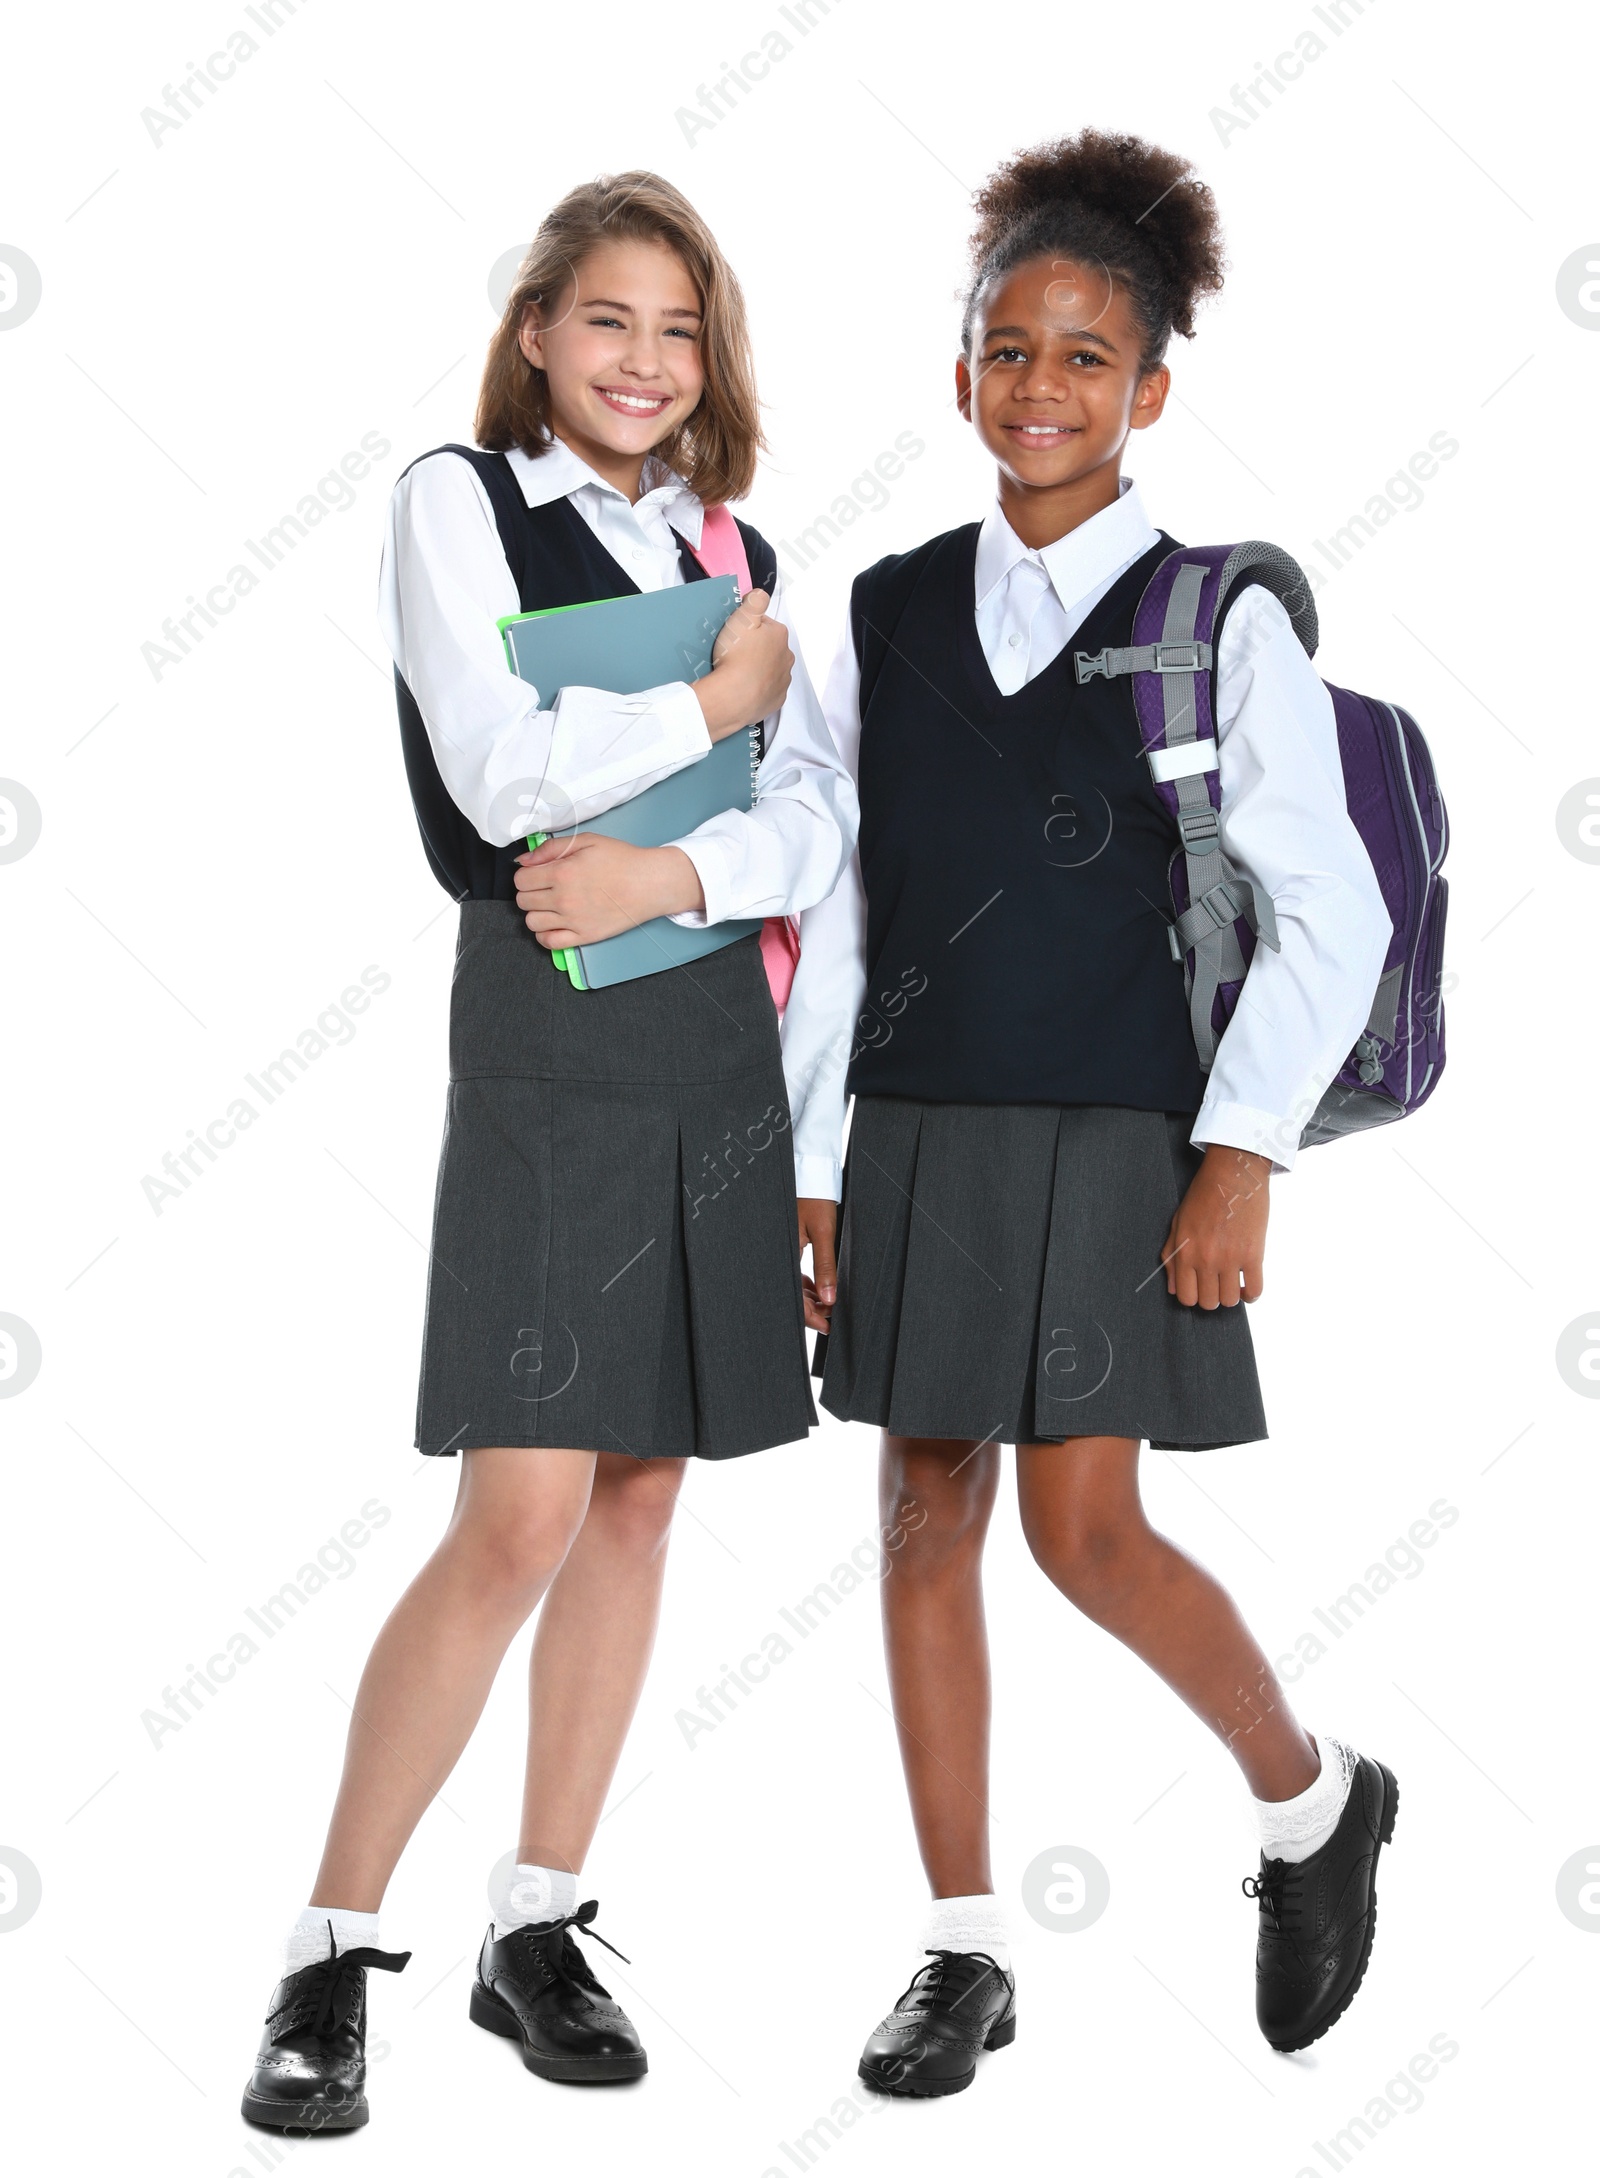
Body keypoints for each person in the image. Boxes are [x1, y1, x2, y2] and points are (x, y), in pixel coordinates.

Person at [780, 128, 1397, 2095]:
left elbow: (1339, 912)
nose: (1036, 387)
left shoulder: (1214, 617)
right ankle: (962, 1947)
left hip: (1123, 1130)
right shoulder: (880, 613)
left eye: (1079, 356)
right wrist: (813, 1163)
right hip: (917, 1125)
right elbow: (828, 897)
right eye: (1004, 347)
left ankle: (1308, 1804)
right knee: (917, 1507)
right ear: (959, 367)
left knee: (1084, 1531)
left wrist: (1240, 1152)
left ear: (1145, 390)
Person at [240, 170, 856, 2133]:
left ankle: (541, 1919)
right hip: (541, 1023)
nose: (643, 359)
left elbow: (822, 823)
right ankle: (329, 1955)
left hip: (708, 1032)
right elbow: (496, 779)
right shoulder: (457, 501)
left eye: (678, 329)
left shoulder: (728, 537)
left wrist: (687, 844)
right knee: (515, 1511)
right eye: (608, 319)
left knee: (643, 1501)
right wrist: (705, 700)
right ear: (535, 332)